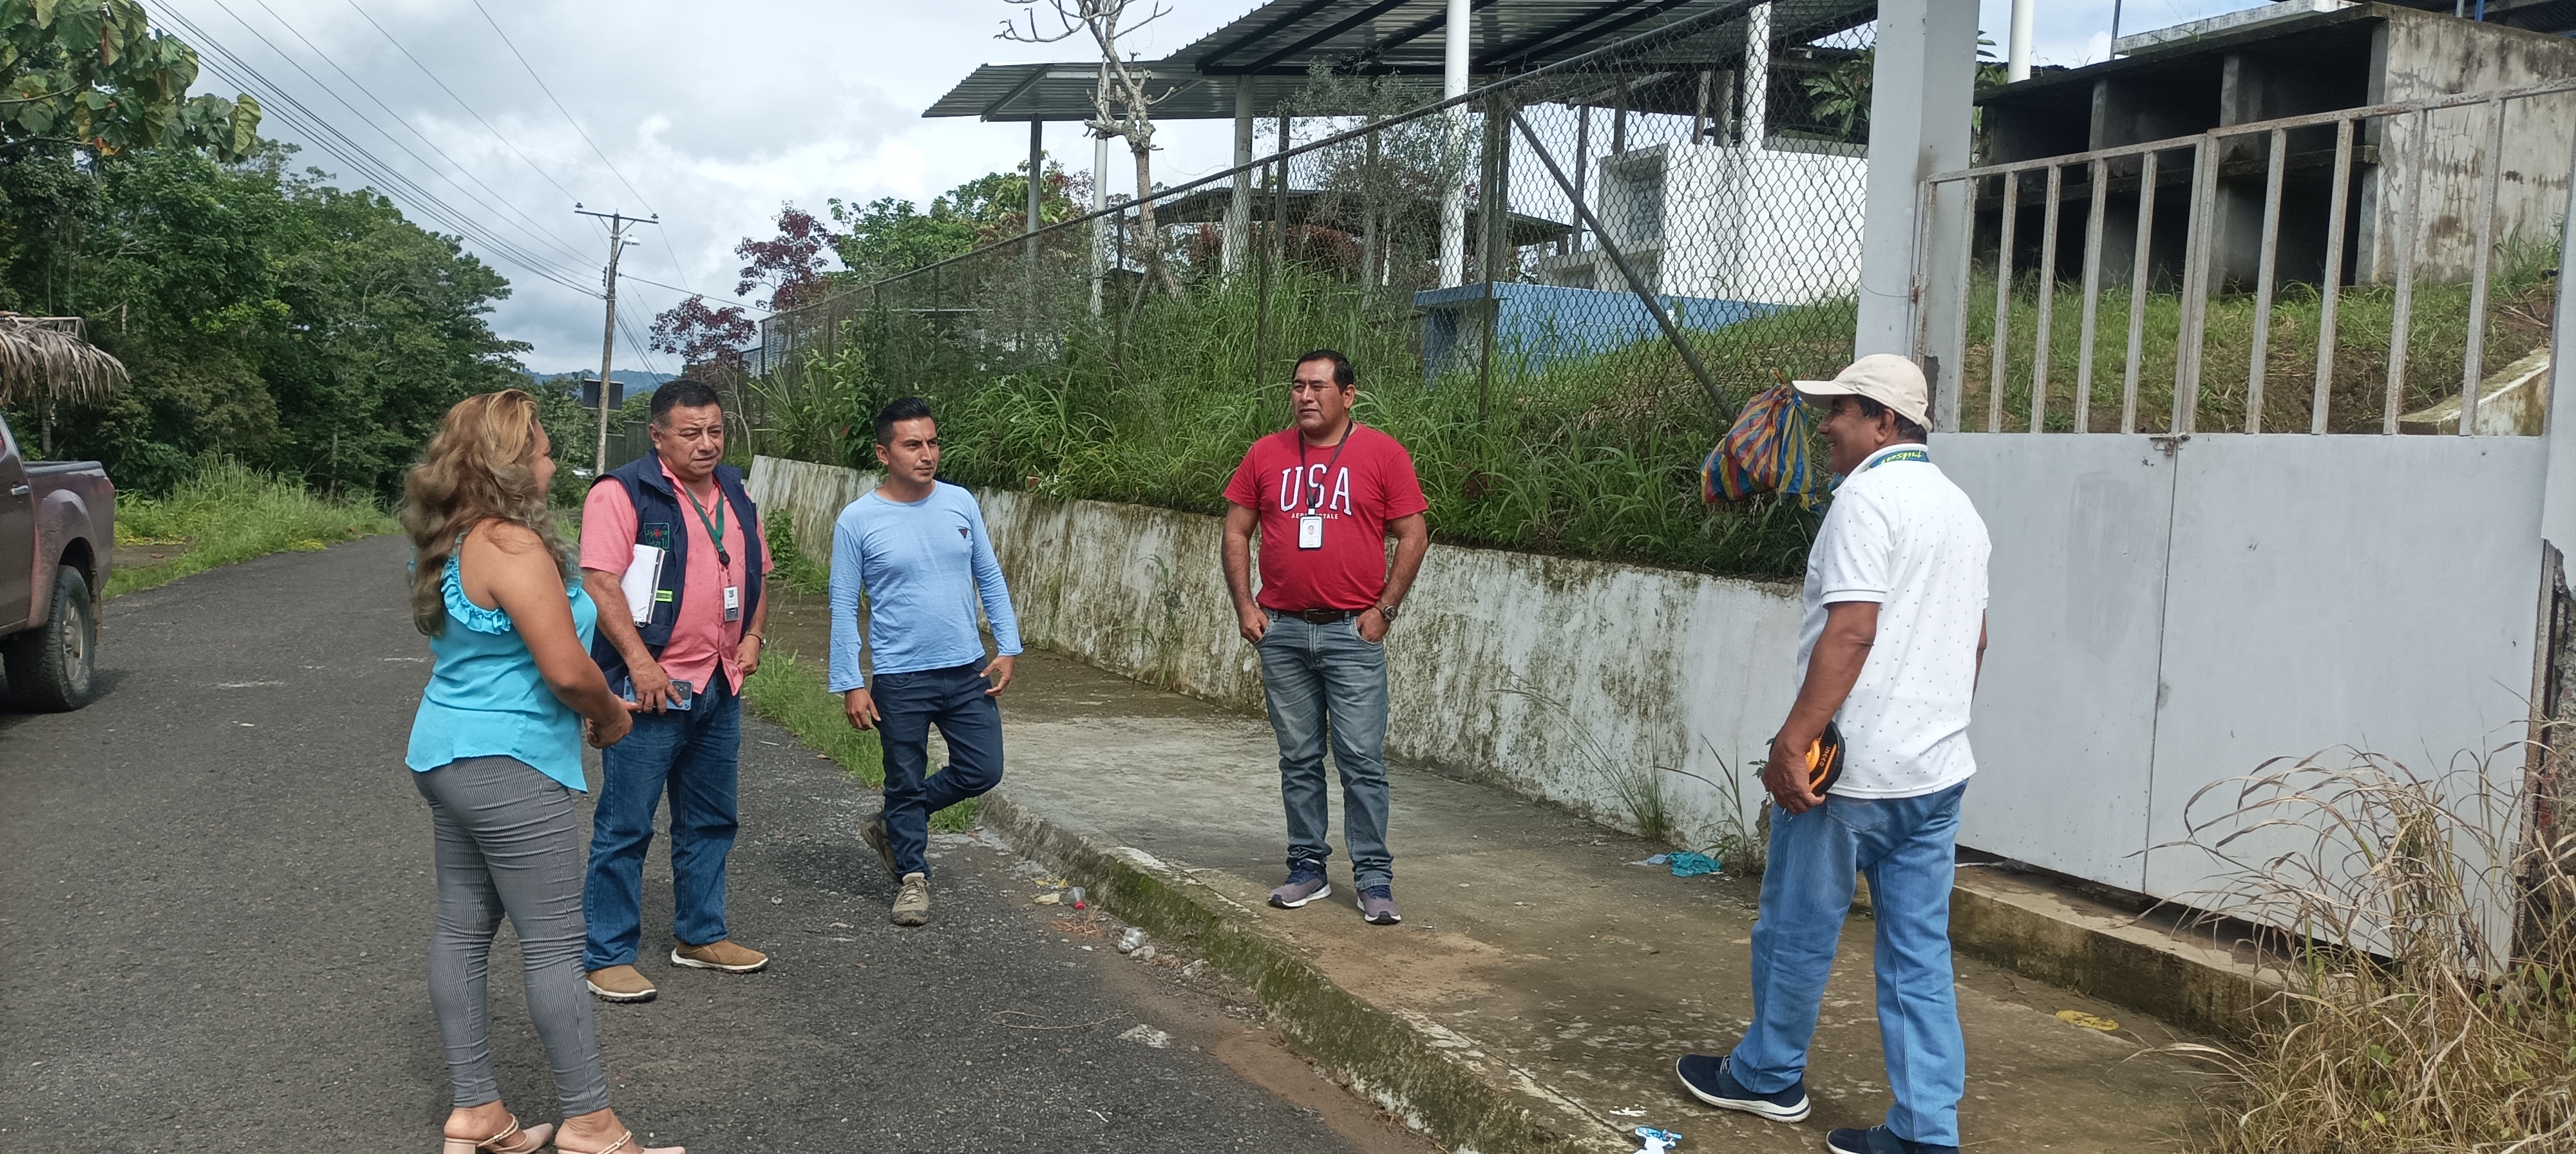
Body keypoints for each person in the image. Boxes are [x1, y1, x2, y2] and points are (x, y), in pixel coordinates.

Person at [1671, 354, 1990, 1154]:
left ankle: (1767, 1074)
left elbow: (1850, 631)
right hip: (1934, 774)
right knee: (1918, 954)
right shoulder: (1960, 510)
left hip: (1845, 778)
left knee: (1796, 928)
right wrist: (1931, 723)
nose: (1826, 428)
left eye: (1841, 412)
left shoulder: (1865, 501)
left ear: (1884, 422)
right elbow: (1976, 640)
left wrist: (1794, 741)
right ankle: (1926, 1129)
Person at [402, 390, 682, 1154]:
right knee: (555, 944)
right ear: (511, 462)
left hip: (446, 753)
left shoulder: (450, 539)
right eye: (546, 452)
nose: (554, 464)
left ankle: (476, 1111)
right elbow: (564, 667)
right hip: (509, 762)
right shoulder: (512, 546)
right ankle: (591, 1124)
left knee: (462, 930)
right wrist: (611, 713)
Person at [577, 378, 775, 1003]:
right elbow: (600, 584)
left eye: (715, 430)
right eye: (691, 433)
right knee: (626, 825)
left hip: (719, 682)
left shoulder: (736, 491)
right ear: (658, 436)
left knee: (712, 819)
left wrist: (754, 636)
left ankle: (701, 934)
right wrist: (639, 664)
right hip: (652, 690)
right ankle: (607, 953)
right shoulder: (621, 492)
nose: (706, 444)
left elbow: (758, 571)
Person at [1222, 349, 1429, 925]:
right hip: (1283, 631)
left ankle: (1373, 879)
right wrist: (1245, 605)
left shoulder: (1383, 454)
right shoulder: (1266, 453)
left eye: (1318, 386)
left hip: (1350, 633)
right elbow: (1237, 531)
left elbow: (1414, 535)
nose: (1305, 397)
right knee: (1299, 758)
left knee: (1361, 758)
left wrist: (1385, 611)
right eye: (1297, 387)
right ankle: (1307, 868)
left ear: (1349, 394)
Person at [828, 396, 1023, 927]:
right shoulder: (858, 520)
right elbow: (843, 604)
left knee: (983, 769)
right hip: (900, 677)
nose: (927, 454)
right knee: (904, 778)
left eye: (933, 442)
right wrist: (850, 681)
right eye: (913, 444)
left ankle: (895, 821)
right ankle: (912, 877)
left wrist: (1008, 647)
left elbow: (989, 575)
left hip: (967, 669)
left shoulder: (960, 502)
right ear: (883, 453)